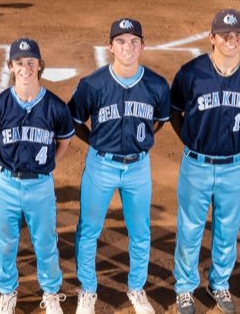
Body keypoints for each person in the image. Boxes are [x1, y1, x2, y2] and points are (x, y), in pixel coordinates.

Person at [169, 9, 240, 314]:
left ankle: (220, 283)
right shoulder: (190, 73)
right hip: (196, 165)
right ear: (212, 38)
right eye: (225, 35)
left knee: (227, 229)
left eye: (238, 35)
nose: (232, 40)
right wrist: (191, 139)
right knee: (190, 228)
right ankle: (185, 288)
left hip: (236, 165)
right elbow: (175, 112)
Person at [68, 18, 170, 314]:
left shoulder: (156, 84)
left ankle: (136, 289)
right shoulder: (93, 84)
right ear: (110, 46)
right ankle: (87, 290)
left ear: (143, 46)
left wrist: (138, 146)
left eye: (134, 41)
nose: (128, 47)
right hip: (101, 166)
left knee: (141, 231)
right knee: (89, 230)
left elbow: (159, 122)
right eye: (121, 42)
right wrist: (96, 143)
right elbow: (75, 121)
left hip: (138, 168)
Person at [0, 37, 76, 314]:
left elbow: (65, 142)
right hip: (7, 183)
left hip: (41, 186)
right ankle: (7, 292)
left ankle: (50, 292)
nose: (25, 68)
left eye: (30, 63)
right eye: (19, 63)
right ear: (11, 66)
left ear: (40, 65)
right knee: (6, 242)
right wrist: (3, 160)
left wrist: (49, 166)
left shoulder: (56, 107)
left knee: (45, 242)